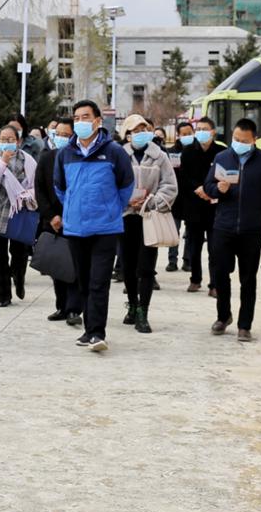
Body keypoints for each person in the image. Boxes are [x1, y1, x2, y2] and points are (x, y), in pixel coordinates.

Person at [54, 99, 134, 353]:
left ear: (98, 121)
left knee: (99, 281)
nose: (80, 122)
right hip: (76, 228)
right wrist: (73, 208)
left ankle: (98, 332)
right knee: (84, 281)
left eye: (85, 117)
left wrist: (110, 209)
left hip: (105, 228)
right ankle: (89, 331)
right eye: (76, 118)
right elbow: (60, 188)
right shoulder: (65, 153)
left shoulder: (114, 152)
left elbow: (126, 185)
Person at [203, 118, 261, 342]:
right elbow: (208, 186)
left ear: (255, 140)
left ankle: (245, 325)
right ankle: (223, 316)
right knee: (220, 273)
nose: (239, 143)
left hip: (251, 229)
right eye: (236, 139)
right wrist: (218, 189)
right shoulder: (222, 157)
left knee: (248, 278)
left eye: (244, 141)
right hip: (223, 226)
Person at [119, 114, 177, 334]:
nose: (141, 133)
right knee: (128, 266)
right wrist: (126, 199)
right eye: (136, 130)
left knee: (146, 267)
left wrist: (151, 201)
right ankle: (132, 305)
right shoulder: (120, 155)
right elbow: (111, 183)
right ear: (127, 134)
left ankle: (143, 311)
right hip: (126, 217)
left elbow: (170, 185)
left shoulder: (159, 156)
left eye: (144, 129)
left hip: (149, 217)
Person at [0, 124, 37, 307]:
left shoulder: (28, 160)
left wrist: (27, 195)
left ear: (18, 141)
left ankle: (19, 278)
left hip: (20, 210)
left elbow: (36, 184)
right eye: (3, 139)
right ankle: (3, 296)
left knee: (19, 253)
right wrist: (3, 161)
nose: (7, 142)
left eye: (11, 139)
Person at [35, 120, 79, 325]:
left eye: (66, 134)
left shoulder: (79, 159)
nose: (60, 138)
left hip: (75, 220)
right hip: (52, 220)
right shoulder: (46, 158)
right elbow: (40, 189)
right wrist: (51, 216)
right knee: (57, 265)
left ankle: (74, 308)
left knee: (74, 265)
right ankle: (61, 306)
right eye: (57, 134)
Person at [179, 117, 225, 293]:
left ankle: (215, 284)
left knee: (215, 248)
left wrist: (211, 191)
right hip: (194, 206)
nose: (201, 132)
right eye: (198, 129)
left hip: (215, 207)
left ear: (213, 131)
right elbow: (184, 177)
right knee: (194, 246)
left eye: (204, 129)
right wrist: (199, 189)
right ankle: (195, 279)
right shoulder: (188, 151)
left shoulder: (221, 152)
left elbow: (224, 177)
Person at [164, 121, 194, 273]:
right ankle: (172, 260)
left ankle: (187, 260)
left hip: (192, 198)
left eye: (189, 133)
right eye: (184, 134)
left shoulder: (197, 151)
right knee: (173, 231)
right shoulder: (171, 152)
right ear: (178, 135)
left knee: (190, 233)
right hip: (175, 198)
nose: (187, 136)